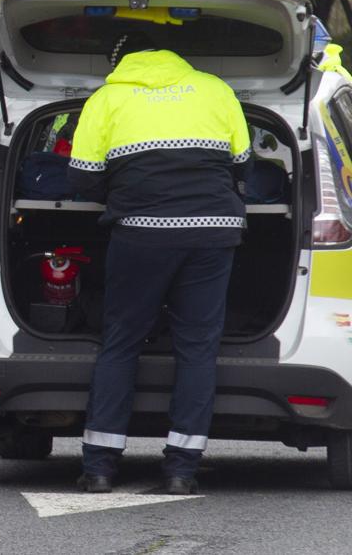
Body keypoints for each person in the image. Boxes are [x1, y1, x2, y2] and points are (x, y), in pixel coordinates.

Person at [67, 31, 250, 496]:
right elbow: (244, 164)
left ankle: (100, 468)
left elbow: (82, 178)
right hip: (214, 229)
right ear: (177, 59)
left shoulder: (107, 99)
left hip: (142, 232)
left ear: (124, 59)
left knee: (122, 340)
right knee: (197, 346)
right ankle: (181, 470)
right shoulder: (215, 89)